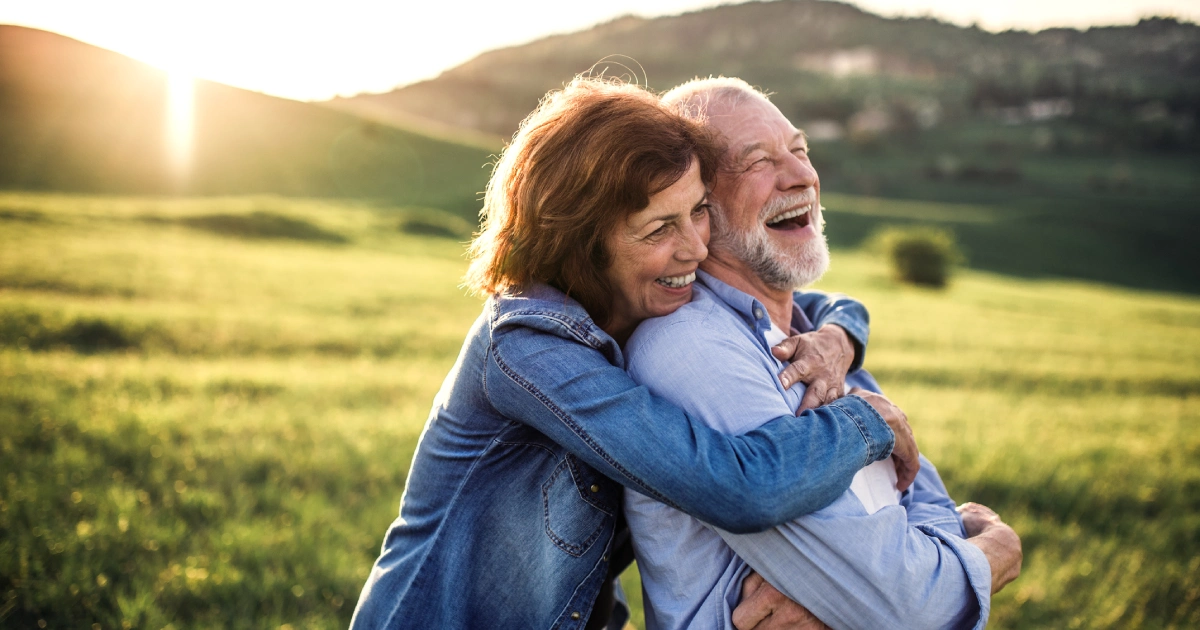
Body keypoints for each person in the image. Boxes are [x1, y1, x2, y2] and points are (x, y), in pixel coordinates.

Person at [348, 77, 921, 630]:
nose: (696, 248)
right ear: (581, 243)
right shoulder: (527, 347)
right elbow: (737, 487)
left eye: (697, 210)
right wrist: (867, 420)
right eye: (658, 230)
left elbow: (823, 304)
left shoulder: (641, 300)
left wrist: (839, 339)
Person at [624, 77, 1022, 630]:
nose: (802, 176)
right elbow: (909, 608)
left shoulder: (821, 344)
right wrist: (995, 552)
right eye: (759, 160)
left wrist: (923, 561)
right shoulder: (692, 351)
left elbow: (919, 503)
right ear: (696, 206)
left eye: (800, 150)